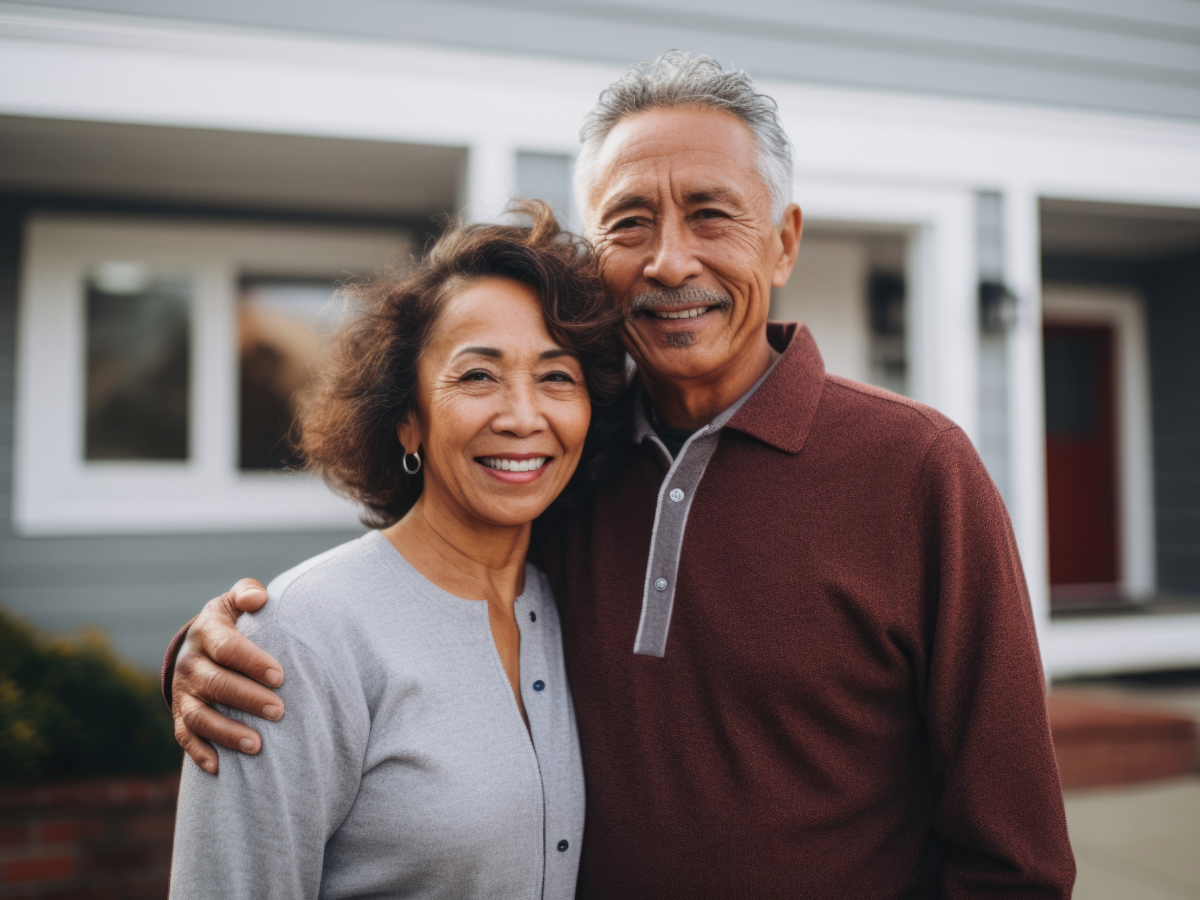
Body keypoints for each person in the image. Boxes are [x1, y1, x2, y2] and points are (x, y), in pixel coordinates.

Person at [165, 52, 1076, 898]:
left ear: (784, 243)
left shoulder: (918, 469)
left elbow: (1015, 856)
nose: (671, 260)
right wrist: (214, 654)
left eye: (712, 214)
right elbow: (400, 599)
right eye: (630, 223)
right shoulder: (568, 462)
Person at [168, 203, 626, 899]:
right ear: (407, 419)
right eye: (478, 376)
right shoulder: (297, 635)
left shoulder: (569, 603)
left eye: (557, 377)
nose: (524, 416)